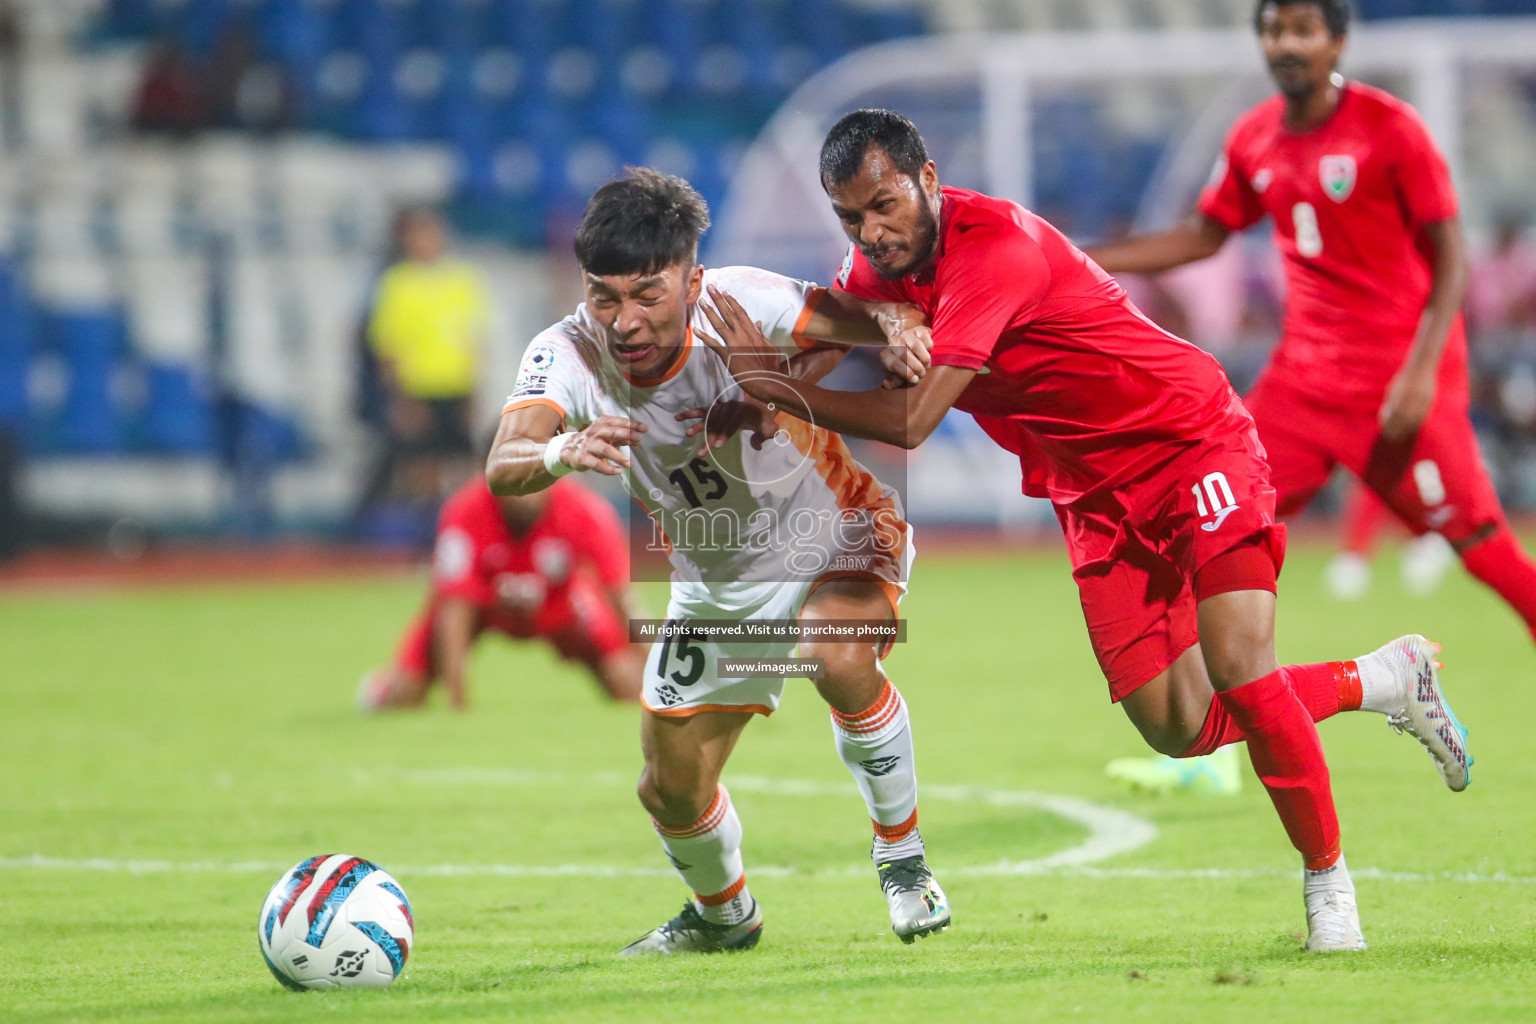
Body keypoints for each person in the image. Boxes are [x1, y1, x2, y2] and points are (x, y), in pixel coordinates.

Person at [696, 107, 1472, 952]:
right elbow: (834, 333)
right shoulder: (877, 271)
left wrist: (778, 389)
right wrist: (758, 391)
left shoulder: (996, 250)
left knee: (1242, 670)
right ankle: (1383, 678)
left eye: (885, 206)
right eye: (851, 218)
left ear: (927, 179)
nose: (872, 233)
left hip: (1189, 442)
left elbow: (915, 420)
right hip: (1093, 499)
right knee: (1178, 726)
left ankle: (1329, 887)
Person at [486, 168, 951, 953]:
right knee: (669, 789)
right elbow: (505, 461)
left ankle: (902, 858)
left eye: (647, 295)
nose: (623, 320)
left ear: (691, 280)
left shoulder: (739, 301)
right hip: (714, 582)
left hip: (830, 530)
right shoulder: (565, 351)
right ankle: (723, 918)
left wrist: (898, 329)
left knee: (836, 655)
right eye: (604, 296)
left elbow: (860, 316)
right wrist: (565, 446)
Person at [1083, 0, 1529, 794]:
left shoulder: (1391, 130)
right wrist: (1080, 260)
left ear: (1337, 39)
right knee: (1202, 537)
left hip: (1398, 386)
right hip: (1301, 388)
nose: (1285, 43)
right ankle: (1212, 754)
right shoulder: (1255, 136)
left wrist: (1424, 373)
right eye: (1272, 29)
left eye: (1301, 29)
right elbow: (1206, 233)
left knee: (1486, 550)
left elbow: (1451, 256)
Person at [357, 473, 645, 711]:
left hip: (561, 604)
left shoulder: (586, 510)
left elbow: (622, 598)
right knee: (404, 696)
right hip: (484, 606)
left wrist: (658, 672)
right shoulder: (465, 509)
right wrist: (458, 703)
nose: (526, 491)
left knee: (631, 687)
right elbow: (456, 608)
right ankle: (380, 687)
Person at [353, 207, 491, 532]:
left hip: (456, 384)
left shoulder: (463, 280)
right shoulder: (396, 284)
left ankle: (466, 531)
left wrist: (475, 391)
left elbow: (475, 340)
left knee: (463, 466)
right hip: (418, 387)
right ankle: (427, 535)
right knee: (421, 468)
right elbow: (388, 346)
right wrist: (401, 398)